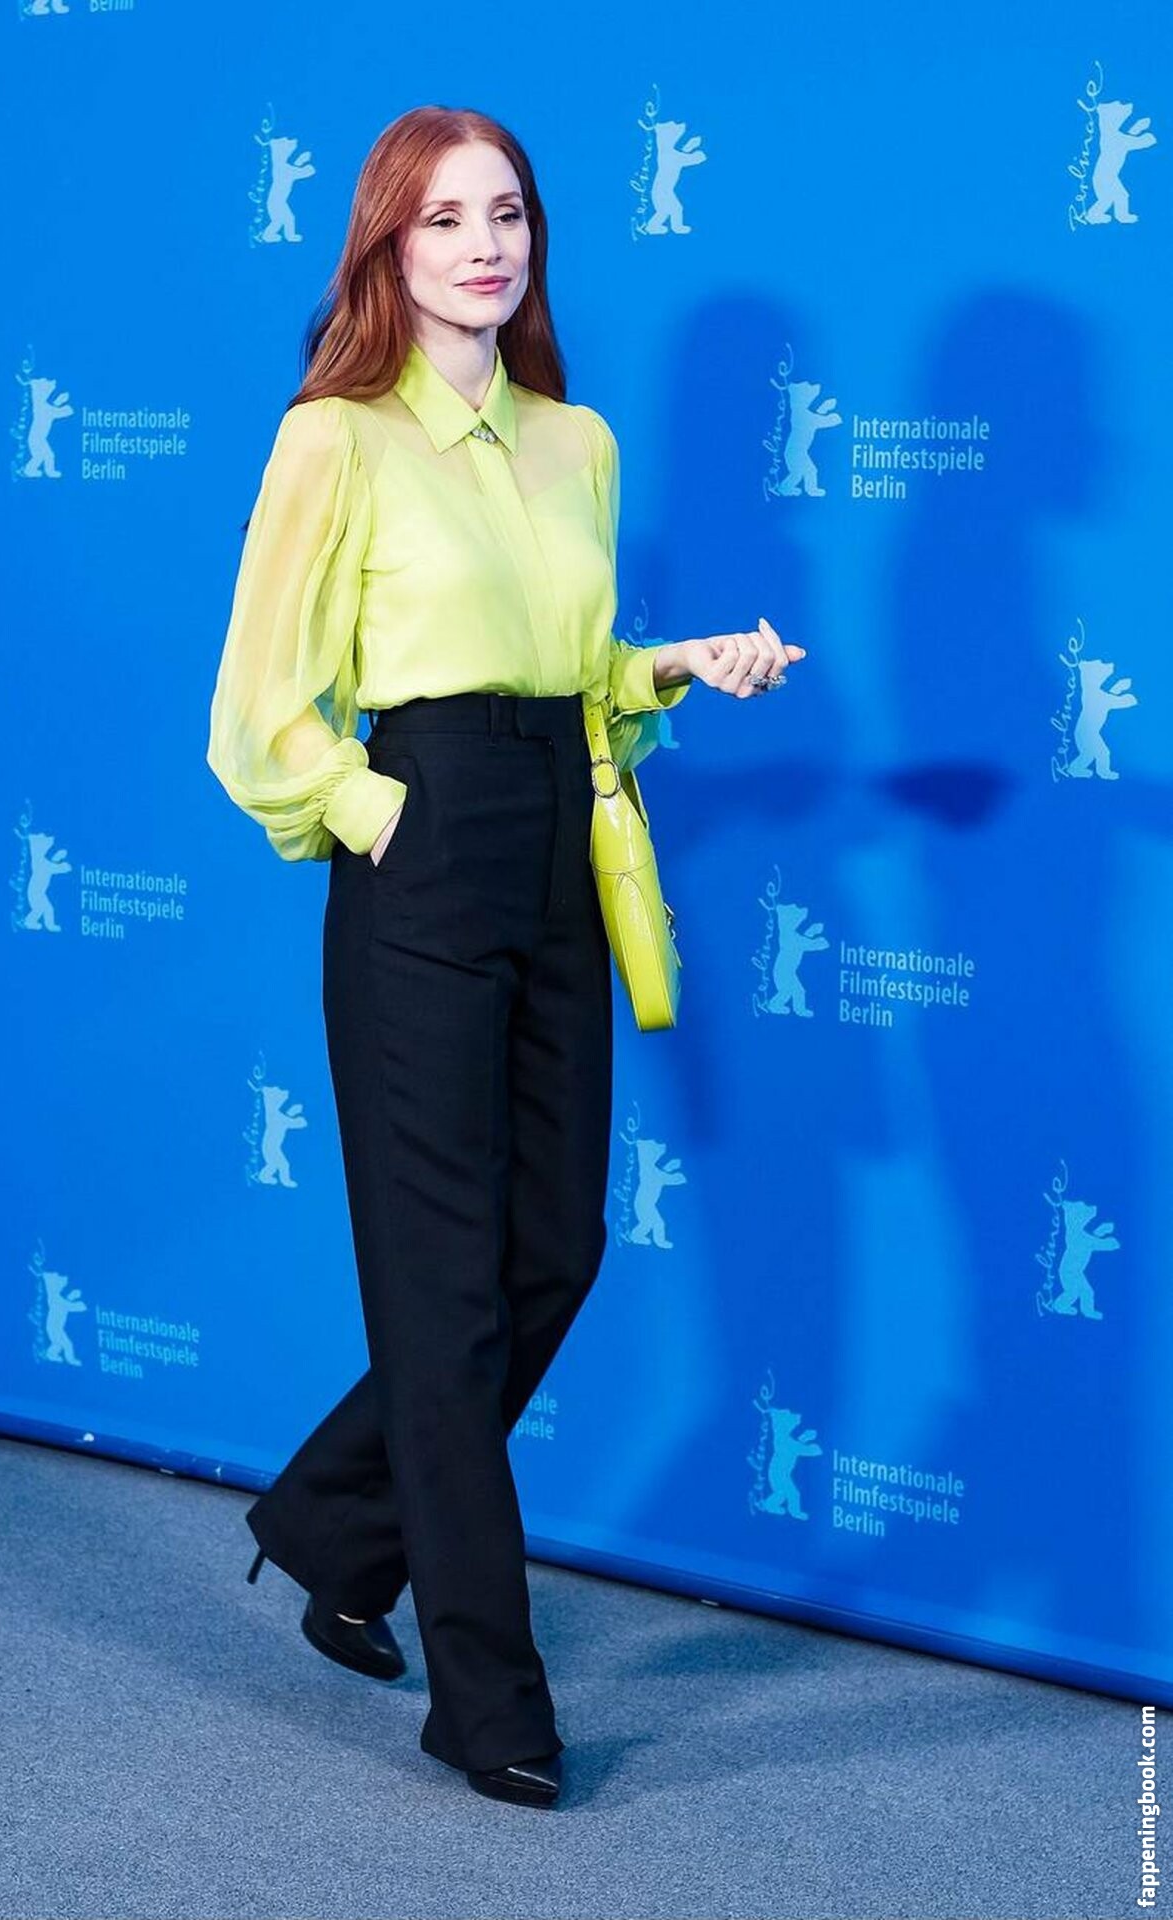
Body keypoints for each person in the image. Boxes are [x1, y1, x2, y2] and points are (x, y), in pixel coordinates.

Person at [206, 103, 804, 1810]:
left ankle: (334, 1521)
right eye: (448, 219)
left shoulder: (577, 442)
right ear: (389, 246)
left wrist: (675, 665)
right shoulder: (336, 440)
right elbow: (256, 712)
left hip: (558, 843)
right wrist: (376, 817)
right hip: (423, 856)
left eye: (511, 214)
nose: (486, 247)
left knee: (554, 1247)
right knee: (441, 1292)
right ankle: (489, 1699)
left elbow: (575, 672)